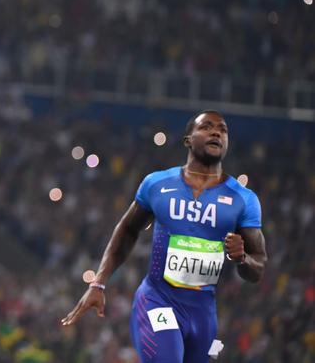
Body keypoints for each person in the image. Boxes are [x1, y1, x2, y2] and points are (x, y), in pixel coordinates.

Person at [61, 110, 268, 362]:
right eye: (207, 127)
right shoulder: (157, 184)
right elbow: (127, 229)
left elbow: (257, 268)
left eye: (223, 130)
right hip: (158, 301)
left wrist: (242, 258)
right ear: (188, 140)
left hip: (203, 314)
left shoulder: (244, 200)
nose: (216, 132)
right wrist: (99, 282)